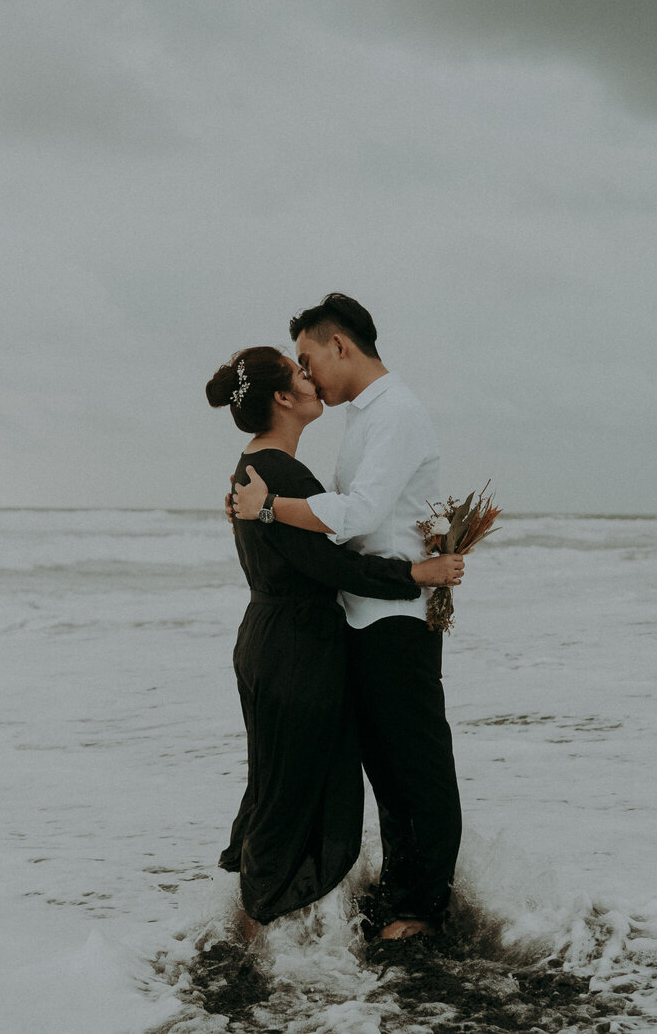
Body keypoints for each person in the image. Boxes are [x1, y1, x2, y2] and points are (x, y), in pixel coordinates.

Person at [205, 345, 465, 936]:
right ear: (281, 398)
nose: (310, 378)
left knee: (276, 785)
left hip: (270, 641)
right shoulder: (279, 475)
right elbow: (335, 567)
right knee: (288, 793)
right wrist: (413, 576)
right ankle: (253, 935)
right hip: (297, 648)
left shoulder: (253, 468)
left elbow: (316, 551)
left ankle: (253, 927)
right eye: (299, 371)